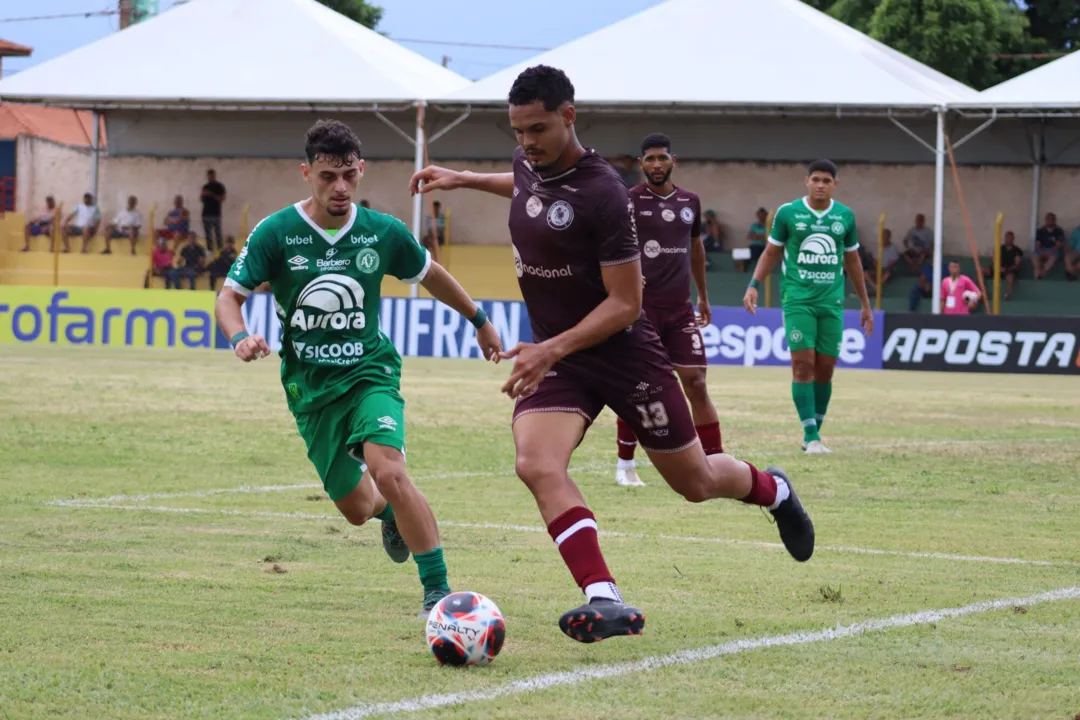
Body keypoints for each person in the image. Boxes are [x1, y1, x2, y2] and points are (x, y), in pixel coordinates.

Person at [410, 65, 813, 643]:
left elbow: (627, 304)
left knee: (695, 482)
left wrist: (548, 347)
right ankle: (604, 595)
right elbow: (521, 180)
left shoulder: (603, 194)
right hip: (562, 361)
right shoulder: (531, 162)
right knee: (536, 463)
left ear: (569, 116)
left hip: (626, 356)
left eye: (538, 129)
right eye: (517, 131)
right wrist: (461, 177)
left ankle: (776, 491)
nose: (526, 143)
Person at [216, 119, 502, 617]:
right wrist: (239, 335)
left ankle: (437, 592)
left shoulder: (382, 232)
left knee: (388, 469)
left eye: (349, 174)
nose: (341, 187)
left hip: (371, 373)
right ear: (306, 173)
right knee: (356, 509)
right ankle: (389, 515)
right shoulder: (277, 233)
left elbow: (429, 274)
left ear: (362, 170)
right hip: (310, 389)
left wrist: (478, 319)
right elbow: (228, 297)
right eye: (328, 176)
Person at [612, 132, 721, 488]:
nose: (656, 165)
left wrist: (703, 295)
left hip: (680, 310)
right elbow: (611, 246)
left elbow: (696, 250)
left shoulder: (691, 201)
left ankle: (716, 461)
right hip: (640, 310)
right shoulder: (628, 200)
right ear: (641, 163)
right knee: (638, 386)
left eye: (662, 158)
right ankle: (625, 464)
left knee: (697, 382)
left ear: (673, 160)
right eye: (649, 159)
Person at [744, 160, 873, 454]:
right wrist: (754, 284)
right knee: (803, 364)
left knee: (825, 368)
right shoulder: (788, 213)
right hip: (798, 299)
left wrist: (865, 303)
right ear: (806, 181)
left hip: (832, 302)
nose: (820, 185)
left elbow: (852, 261)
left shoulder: (845, 216)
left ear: (834, 185)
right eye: (815, 179)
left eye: (826, 180)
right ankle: (810, 434)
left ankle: (813, 434)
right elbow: (771, 251)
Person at [200, 169, 227, 252]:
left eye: (212, 175)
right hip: (206, 214)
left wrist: (212, 194)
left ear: (214, 176)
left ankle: (220, 250)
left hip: (216, 214)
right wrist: (203, 194)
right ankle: (209, 250)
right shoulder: (205, 187)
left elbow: (222, 199)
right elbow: (201, 199)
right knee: (208, 234)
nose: (210, 177)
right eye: (209, 176)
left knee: (217, 233)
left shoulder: (219, 186)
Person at [1033, 212, 1064, 280]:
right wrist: (1042, 252)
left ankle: (1042, 273)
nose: (1050, 221)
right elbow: (1037, 245)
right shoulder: (1040, 231)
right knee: (1035, 256)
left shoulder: (1059, 231)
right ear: (1046, 220)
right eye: (1048, 219)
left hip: (1053, 251)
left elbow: (1058, 245)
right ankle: (1038, 273)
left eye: (1051, 219)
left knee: (1053, 257)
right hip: (1042, 250)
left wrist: (1049, 252)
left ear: (1054, 220)